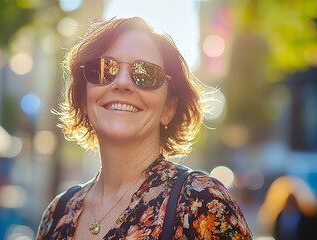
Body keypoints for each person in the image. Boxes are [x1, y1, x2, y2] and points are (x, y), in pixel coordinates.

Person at [37, 17, 253, 239]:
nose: (121, 82)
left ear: (169, 107)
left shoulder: (201, 202)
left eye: (145, 73)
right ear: (84, 97)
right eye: (104, 69)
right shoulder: (57, 213)